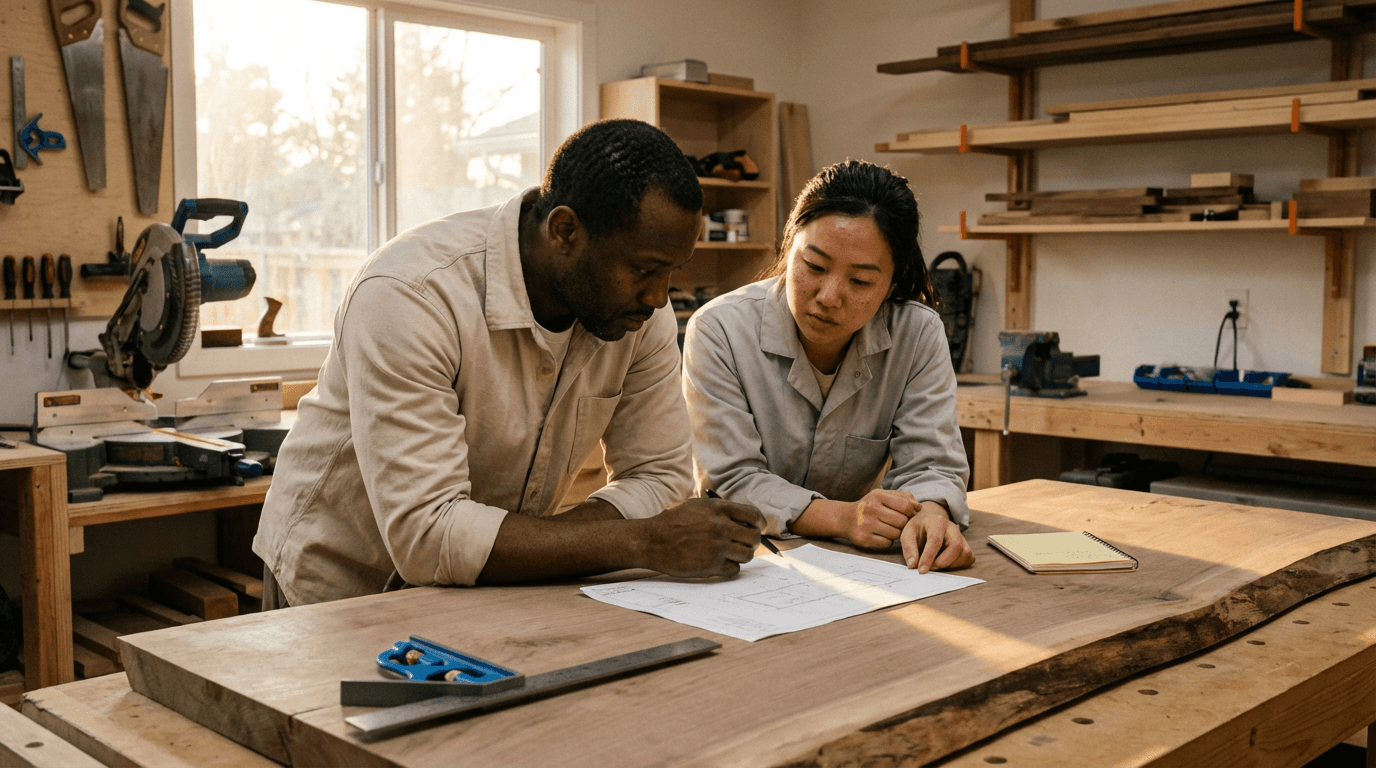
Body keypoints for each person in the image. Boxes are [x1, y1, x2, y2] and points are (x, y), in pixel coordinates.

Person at [255, 119, 763, 607]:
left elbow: (659, 474)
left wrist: (534, 545)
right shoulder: (411, 295)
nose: (659, 298)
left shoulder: (635, 312)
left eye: (673, 272)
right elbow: (428, 535)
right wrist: (640, 542)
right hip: (342, 586)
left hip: (495, 588)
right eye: (645, 270)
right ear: (565, 231)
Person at [682, 160, 973, 573]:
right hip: (747, 561)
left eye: (860, 282)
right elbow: (732, 481)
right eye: (814, 267)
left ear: (892, 284)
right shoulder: (720, 330)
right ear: (788, 249)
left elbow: (932, 463)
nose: (829, 296)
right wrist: (843, 518)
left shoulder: (918, 333)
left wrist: (930, 514)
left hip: (857, 564)